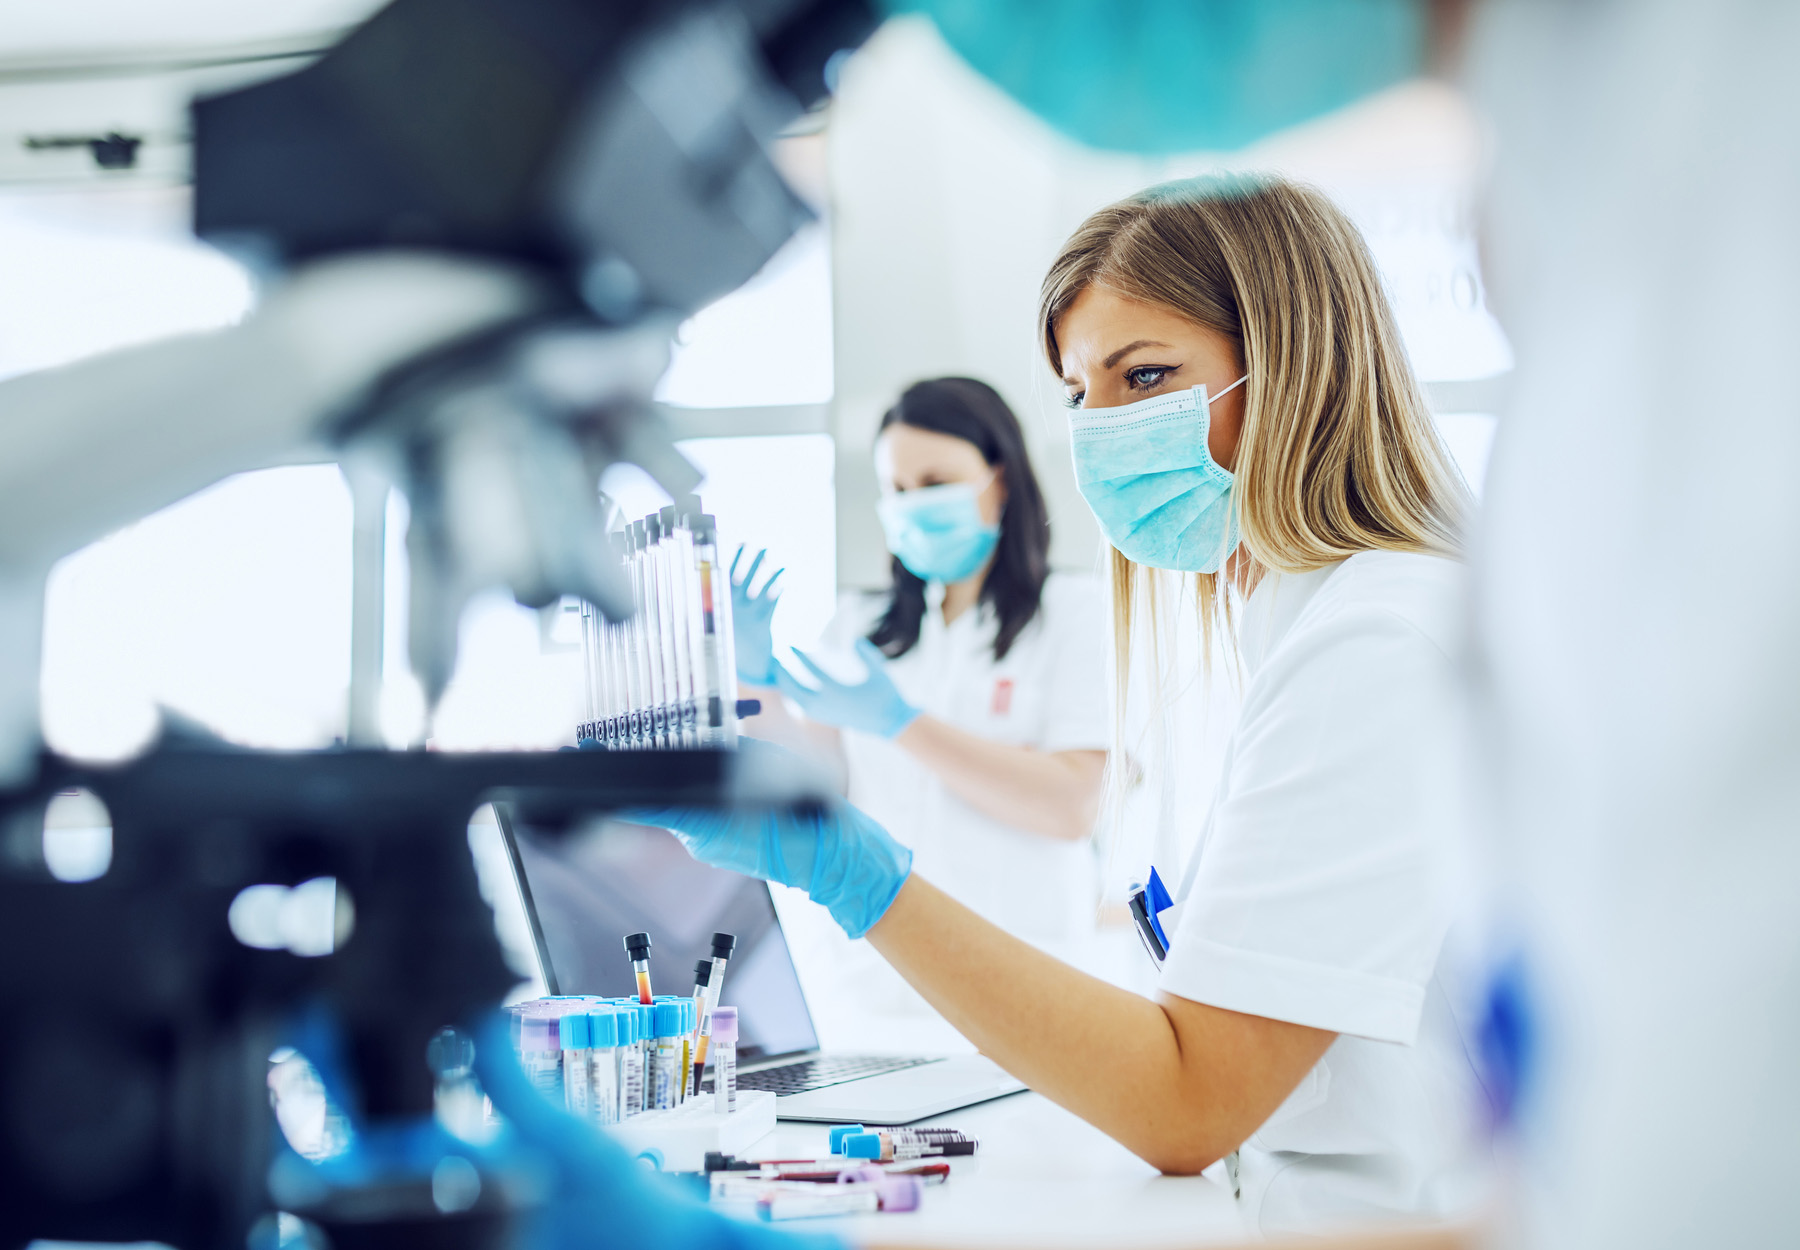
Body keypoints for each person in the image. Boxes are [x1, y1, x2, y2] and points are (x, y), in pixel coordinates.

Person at [637, 172, 1487, 1235]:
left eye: (1146, 376)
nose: (1103, 431)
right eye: (1082, 392)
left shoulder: (1379, 637)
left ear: (1294, 366)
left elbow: (1189, 1097)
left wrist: (849, 869)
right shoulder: (1279, 633)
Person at [730, 378, 1109, 966]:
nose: (913, 504)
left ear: (1000, 478)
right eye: (897, 489)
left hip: (1024, 971)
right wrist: (753, 685)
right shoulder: (861, 624)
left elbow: (1071, 809)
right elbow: (815, 792)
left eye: (936, 484)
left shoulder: (1075, 613)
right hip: (872, 971)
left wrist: (902, 725)